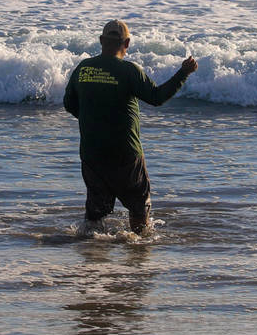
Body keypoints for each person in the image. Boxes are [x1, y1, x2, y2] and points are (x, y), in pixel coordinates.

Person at [63, 20, 197, 234]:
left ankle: (91, 259)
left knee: (95, 216)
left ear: (101, 41)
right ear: (127, 43)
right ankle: (138, 258)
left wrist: (94, 119)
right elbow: (156, 97)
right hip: (125, 154)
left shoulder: (83, 68)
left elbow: (69, 104)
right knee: (138, 211)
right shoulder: (129, 70)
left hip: (92, 153)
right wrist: (183, 73)